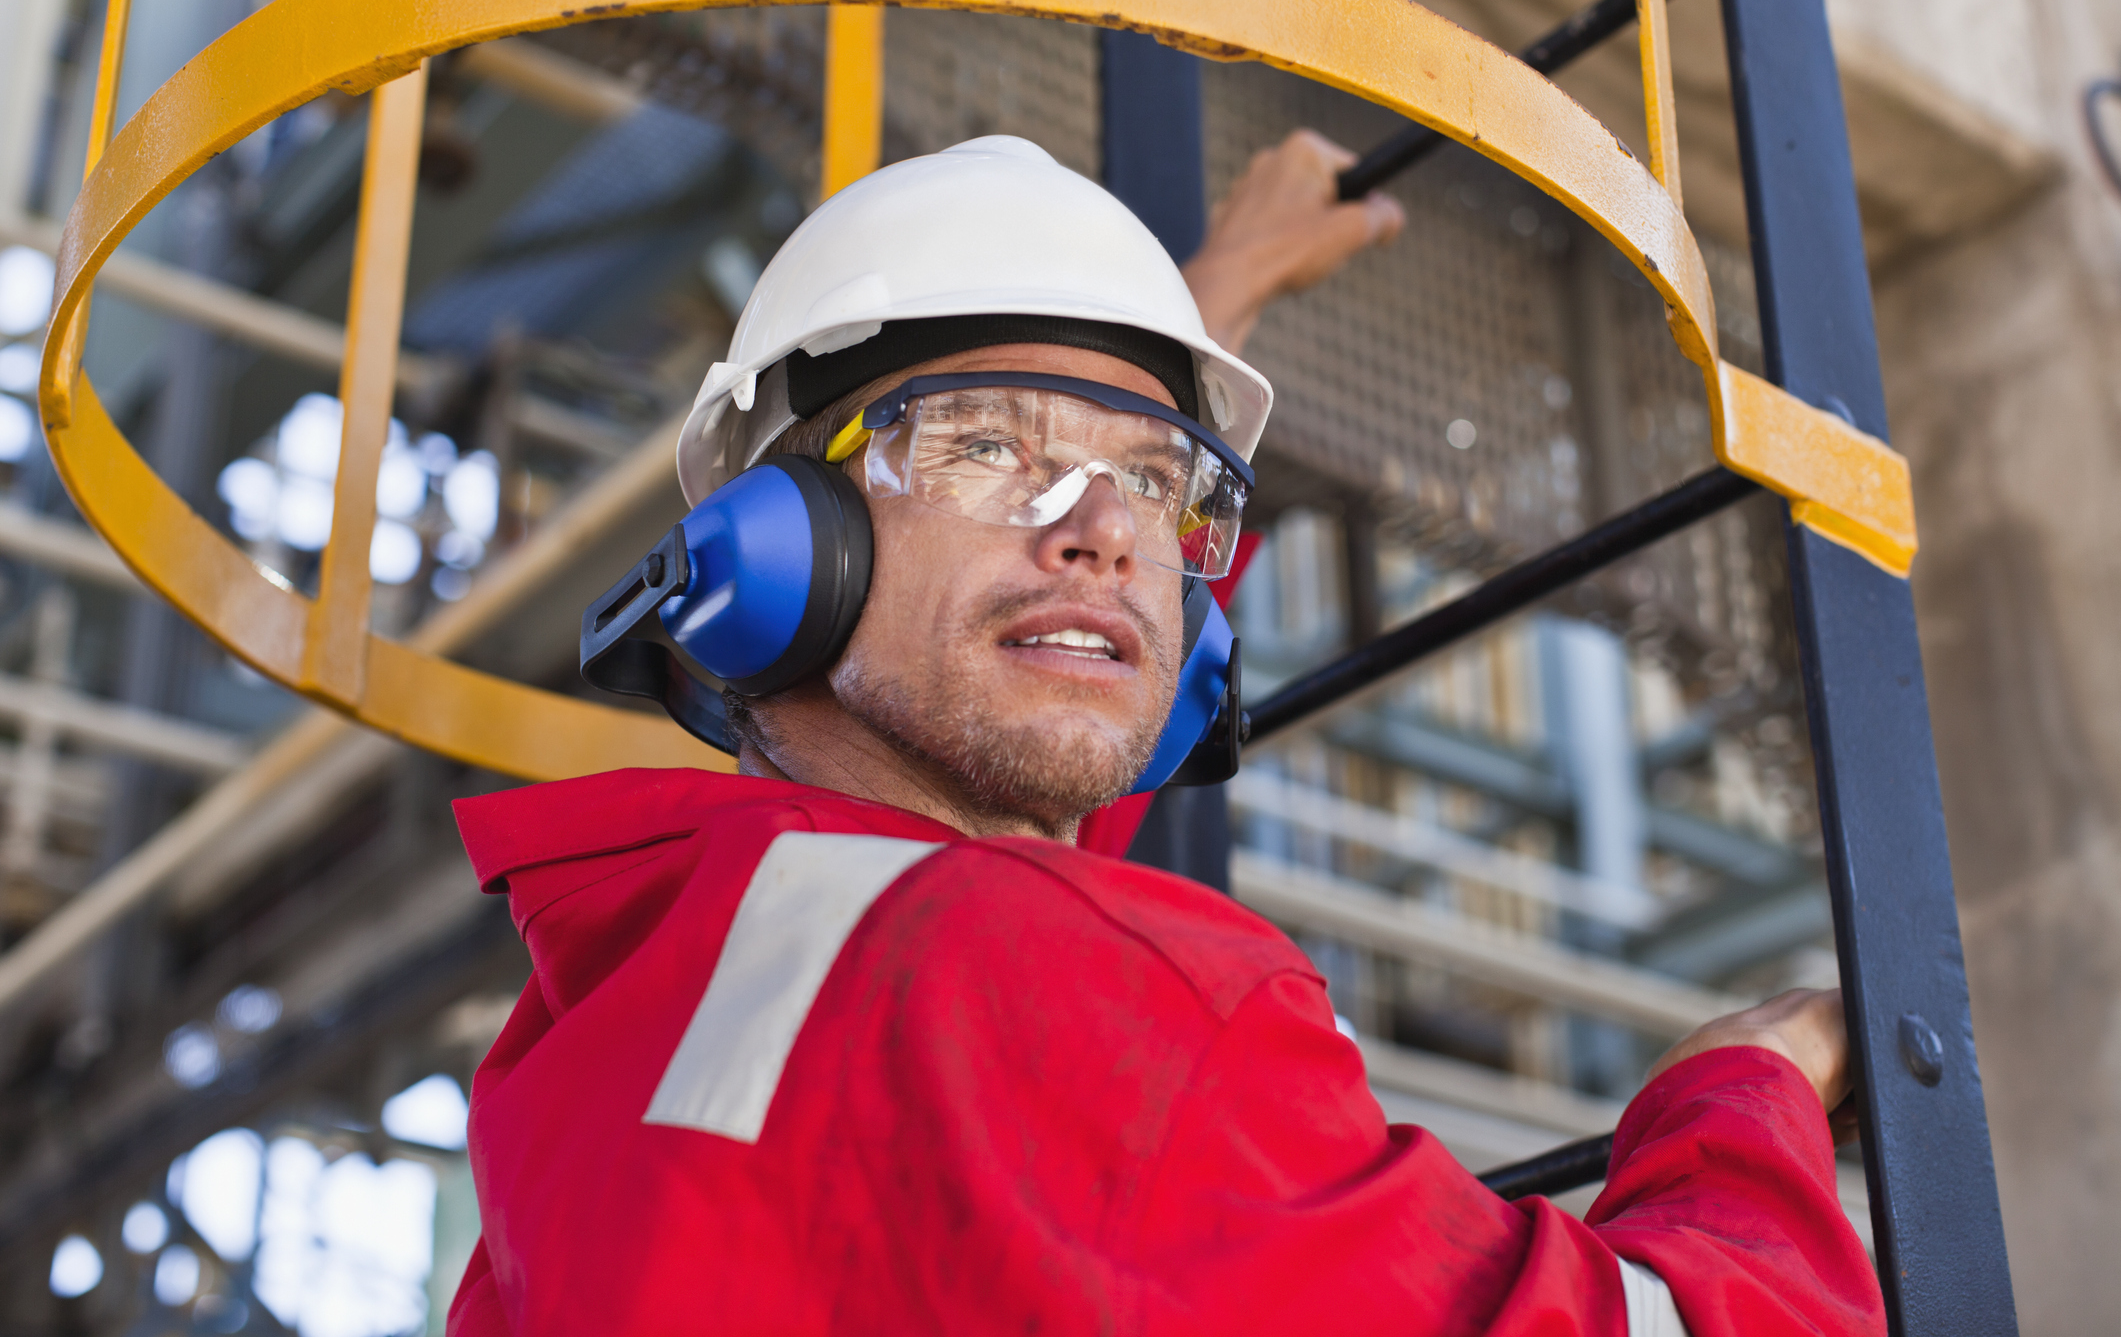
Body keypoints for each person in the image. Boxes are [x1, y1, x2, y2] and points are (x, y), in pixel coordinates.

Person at [445, 130, 1882, 1336]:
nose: (1110, 541)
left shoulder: (612, 1019)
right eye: (988, 446)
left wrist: (1216, 297)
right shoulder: (1098, 994)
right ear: (777, 551)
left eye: (1154, 484)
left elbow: (973, 899)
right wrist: (1738, 1097)